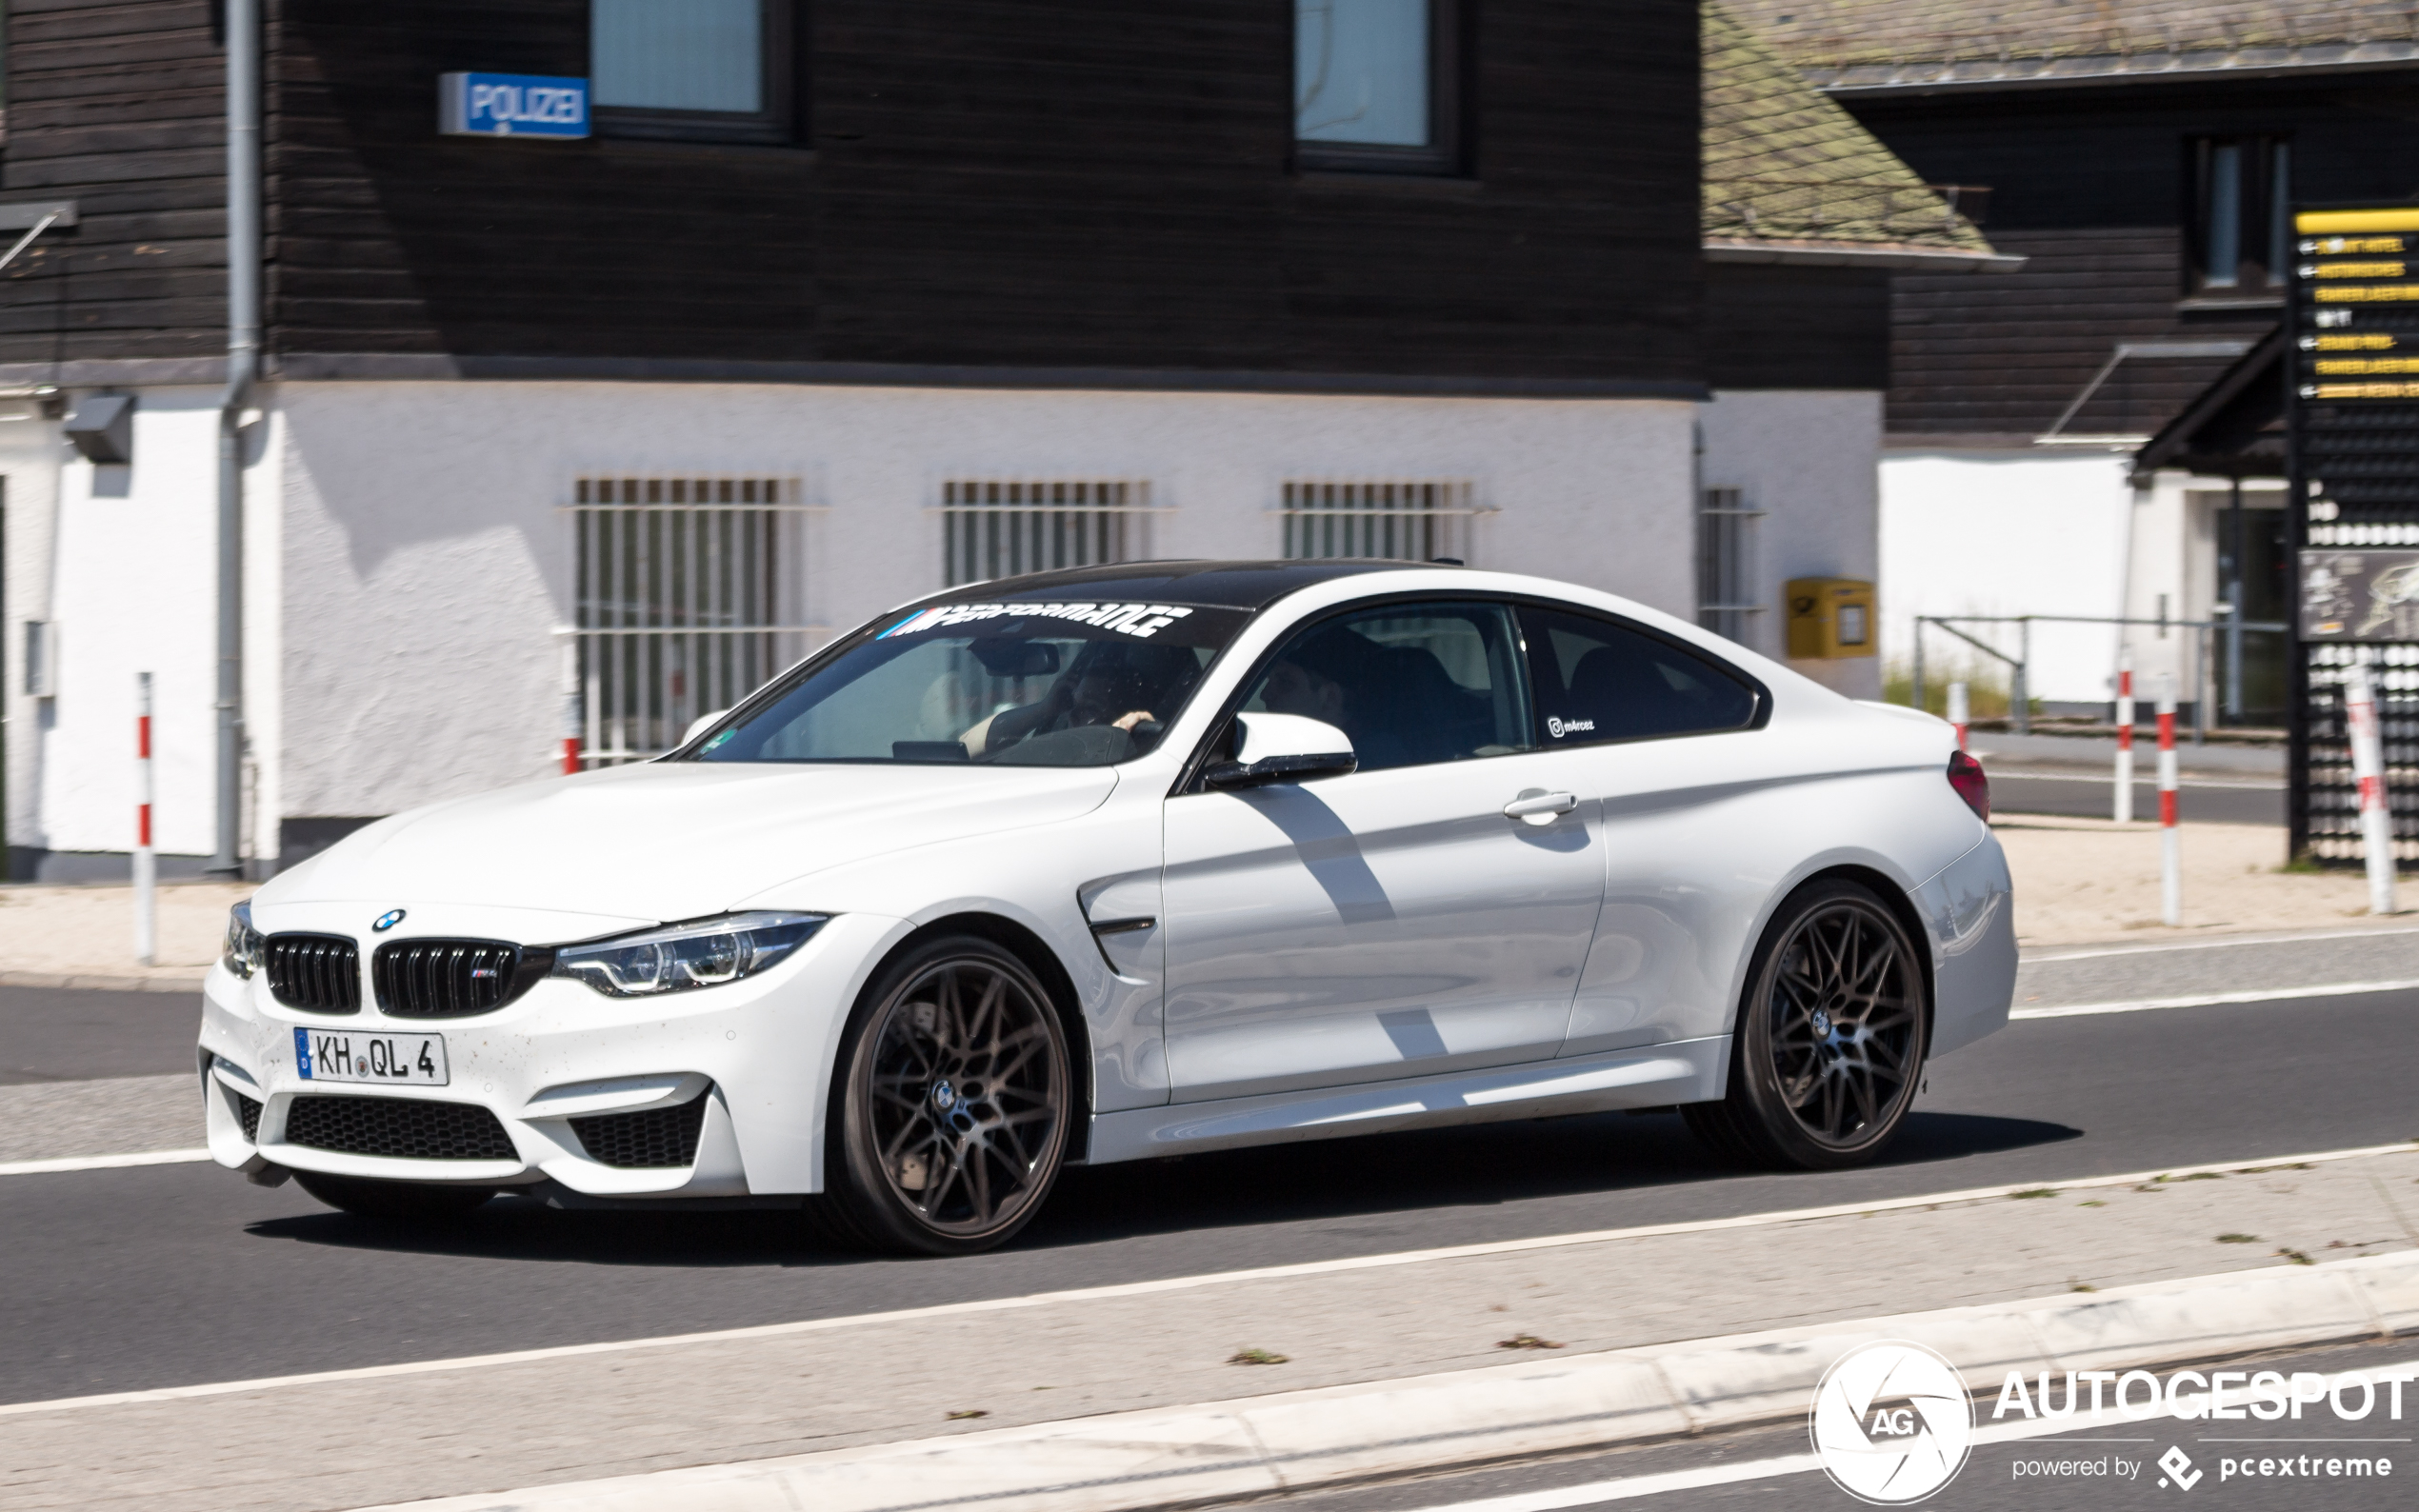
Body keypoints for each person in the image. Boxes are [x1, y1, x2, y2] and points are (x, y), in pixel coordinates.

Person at [962, 642, 1200, 757]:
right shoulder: (1051, 750)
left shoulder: (1124, 761)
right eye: (1072, 704)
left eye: (1091, 709)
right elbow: (966, 745)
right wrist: (1044, 710)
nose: (1073, 714)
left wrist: (1145, 733)